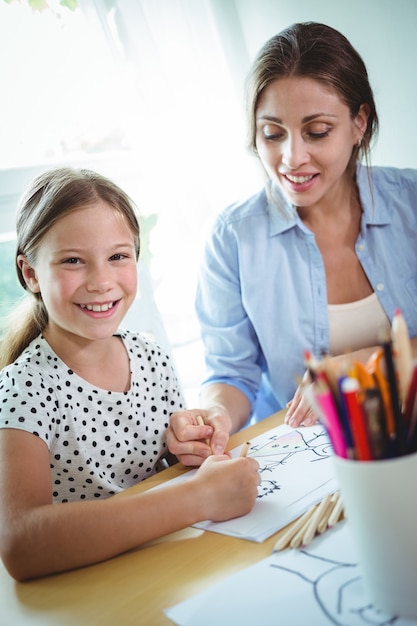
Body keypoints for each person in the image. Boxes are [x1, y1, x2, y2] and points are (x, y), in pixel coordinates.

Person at [166, 21, 417, 466]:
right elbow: (231, 372)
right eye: (272, 133)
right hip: (310, 463)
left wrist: (362, 368)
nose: (291, 158)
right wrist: (217, 416)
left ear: (359, 123)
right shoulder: (233, 236)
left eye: (317, 131)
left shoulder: (411, 203)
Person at [0, 167, 260, 581]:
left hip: (172, 567)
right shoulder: (24, 388)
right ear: (31, 274)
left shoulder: (149, 354)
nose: (102, 282)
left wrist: (189, 447)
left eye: (118, 257)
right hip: (95, 587)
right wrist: (198, 497)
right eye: (72, 261)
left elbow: (164, 468)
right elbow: (20, 543)